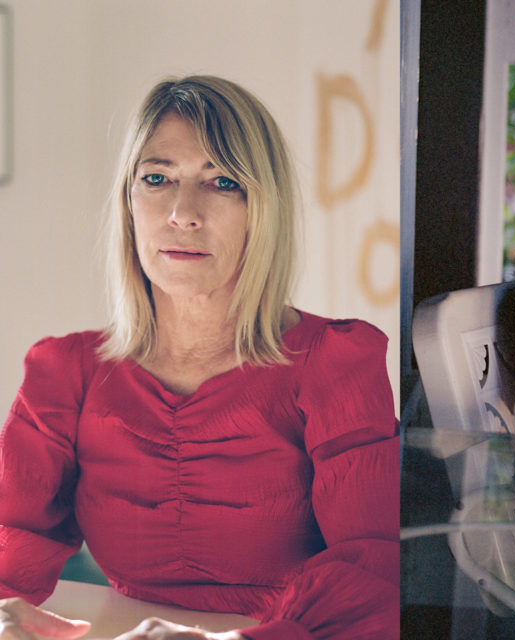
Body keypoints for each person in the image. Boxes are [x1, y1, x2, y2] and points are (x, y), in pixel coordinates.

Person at [0, 75, 399, 640]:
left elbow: (376, 577)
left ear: (262, 208)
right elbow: (9, 539)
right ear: (129, 202)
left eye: (222, 182)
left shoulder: (335, 363)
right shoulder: (65, 372)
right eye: (157, 178)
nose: (183, 213)